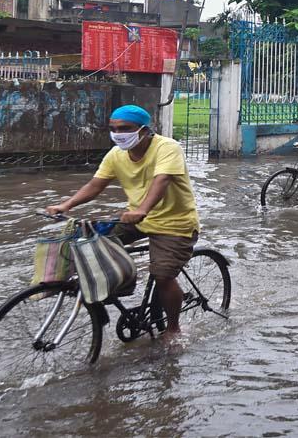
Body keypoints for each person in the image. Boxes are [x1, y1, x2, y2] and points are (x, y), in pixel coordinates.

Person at [46, 105, 199, 341]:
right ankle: (115, 290)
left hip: (174, 223)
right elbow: (95, 185)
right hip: (135, 218)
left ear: (144, 130)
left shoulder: (168, 147)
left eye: (125, 128)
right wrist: (66, 205)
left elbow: (162, 180)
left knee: (163, 275)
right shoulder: (116, 154)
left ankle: (173, 329)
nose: (118, 134)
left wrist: (142, 210)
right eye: (114, 129)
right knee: (91, 242)